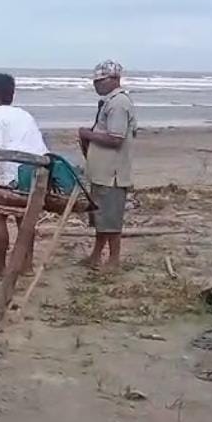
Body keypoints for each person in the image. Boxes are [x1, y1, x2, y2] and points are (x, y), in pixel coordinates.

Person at [0, 72, 49, 281]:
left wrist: (3, 181)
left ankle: (0, 268)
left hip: (10, 176)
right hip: (32, 174)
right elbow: (40, 146)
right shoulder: (25, 115)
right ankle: (26, 265)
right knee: (24, 218)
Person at [78, 60, 137, 271]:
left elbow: (115, 138)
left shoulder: (118, 103)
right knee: (100, 217)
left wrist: (88, 134)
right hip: (101, 172)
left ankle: (113, 260)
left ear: (113, 79)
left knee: (111, 219)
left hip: (112, 173)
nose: (96, 85)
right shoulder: (109, 101)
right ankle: (96, 255)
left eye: (100, 81)